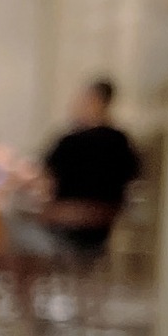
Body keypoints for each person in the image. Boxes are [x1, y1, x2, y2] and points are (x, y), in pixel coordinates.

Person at [29, 77, 142, 254]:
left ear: (94, 101)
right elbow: (132, 181)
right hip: (104, 229)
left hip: (64, 226)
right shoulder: (122, 142)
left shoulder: (69, 142)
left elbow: (43, 180)